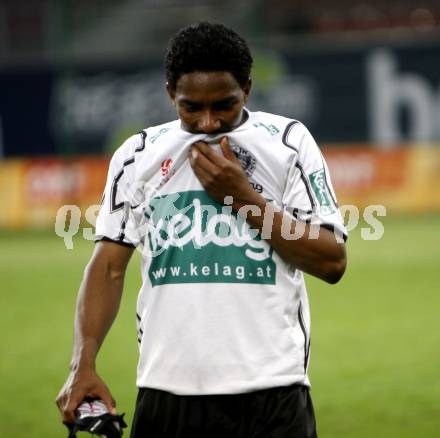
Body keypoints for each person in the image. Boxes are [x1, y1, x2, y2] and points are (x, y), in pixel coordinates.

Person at [56, 22, 347, 438]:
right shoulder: (137, 155)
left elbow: (331, 260)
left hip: (271, 393)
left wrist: (242, 198)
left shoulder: (287, 143)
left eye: (224, 105)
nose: (209, 123)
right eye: (191, 108)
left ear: (247, 89)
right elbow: (107, 267)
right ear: (170, 94)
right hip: (166, 392)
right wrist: (81, 365)